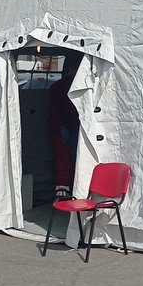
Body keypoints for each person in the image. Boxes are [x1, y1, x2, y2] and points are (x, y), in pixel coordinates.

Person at [48, 59, 82, 198]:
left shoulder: (57, 86)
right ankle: (68, 188)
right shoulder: (69, 86)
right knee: (69, 158)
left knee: (67, 157)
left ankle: (65, 189)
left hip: (67, 125)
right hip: (68, 125)